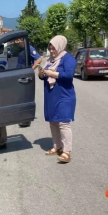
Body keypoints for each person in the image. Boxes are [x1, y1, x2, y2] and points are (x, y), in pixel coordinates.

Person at [38, 35, 76, 163]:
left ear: (60, 47)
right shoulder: (50, 60)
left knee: (64, 122)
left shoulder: (68, 59)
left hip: (64, 96)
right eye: (50, 48)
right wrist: (42, 73)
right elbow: (43, 76)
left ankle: (67, 152)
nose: (52, 51)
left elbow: (69, 75)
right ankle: (57, 146)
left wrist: (51, 73)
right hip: (51, 96)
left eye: (54, 48)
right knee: (53, 122)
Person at [15, 39, 42, 127]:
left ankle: (26, 119)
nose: (16, 42)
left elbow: (39, 59)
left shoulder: (29, 48)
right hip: (19, 74)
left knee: (25, 97)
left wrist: (31, 69)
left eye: (17, 40)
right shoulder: (21, 49)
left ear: (22, 40)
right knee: (20, 97)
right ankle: (22, 117)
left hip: (24, 76)